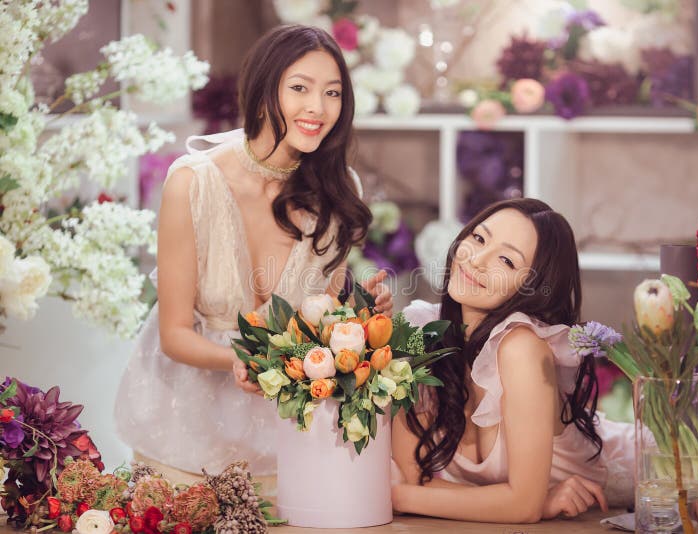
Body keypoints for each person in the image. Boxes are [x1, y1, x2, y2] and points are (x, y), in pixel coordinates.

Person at [114, 25, 391, 495]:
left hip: (289, 441)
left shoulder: (340, 189)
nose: (317, 109)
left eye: (332, 93)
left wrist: (361, 316)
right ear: (265, 90)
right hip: (184, 438)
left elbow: (319, 321)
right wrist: (241, 358)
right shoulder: (193, 183)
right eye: (299, 88)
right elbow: (174, 333)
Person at [391, 198, 635, 523]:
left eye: (506, 260)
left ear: (532, 288)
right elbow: (416, 483)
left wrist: (392, 495)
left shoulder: (520, 348)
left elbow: (521, 506)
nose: (476, 259)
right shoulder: (424, 333)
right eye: (478, 238)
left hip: (666, 470)